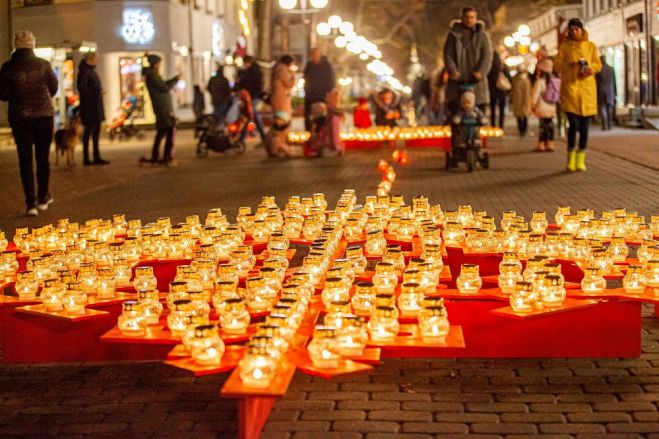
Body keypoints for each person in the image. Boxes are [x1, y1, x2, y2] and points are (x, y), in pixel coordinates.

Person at [0, 31, 58, 217]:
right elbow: (53, 88)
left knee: (25, 159)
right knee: (43, 158)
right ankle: (43, 198)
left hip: (20, 117)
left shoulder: (8, 67)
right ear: (33, 45)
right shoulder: (43, 65)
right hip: (44, 116)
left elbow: (3, 94)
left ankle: (30, 203)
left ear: (16, 46)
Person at [554, 18, 601, 172]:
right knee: (573, 125)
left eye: (576, 28)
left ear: (582, 30)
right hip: (571, 91)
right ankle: (570, 158)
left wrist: (590, 68)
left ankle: (581, 158)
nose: (574, 31)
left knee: (585, 128)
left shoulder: (590, 46)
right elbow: (557, 66)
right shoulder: (564, 47)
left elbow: (597, 64)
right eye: (571, 29)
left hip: (586, 91)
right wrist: (570, 64)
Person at [443, 6, 493, 116]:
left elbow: (487, 56)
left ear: (476, 19)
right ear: (462, 18)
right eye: (466, 17)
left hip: (476, 81)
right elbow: (448, 55)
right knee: (455, 114)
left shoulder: (482, 35)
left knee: (479, 113)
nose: (469, 20)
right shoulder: (453, 35)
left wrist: (481, 72)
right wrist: (453, 71)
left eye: (472, 17)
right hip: (457, 81)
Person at [140, 54, 180, 167]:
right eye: (159, 63)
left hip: (162, 107)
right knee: (169, 130)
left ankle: (157, 155)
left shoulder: (152, 76)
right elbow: (164, 87)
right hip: (162, 107)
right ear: (156, 64)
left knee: (162, 131)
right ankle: (165, 156)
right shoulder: (152, 76)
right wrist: (176, 79)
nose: (160, 65)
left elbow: (163, 86)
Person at [77, 51, 109, 166]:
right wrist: (97, 92)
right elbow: (82, 89)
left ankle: (96, 156)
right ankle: (87, 158)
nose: (97, 60)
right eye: (96, 58)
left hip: (95, 106)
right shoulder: (85, 72)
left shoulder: (90, 71)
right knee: (89, 132)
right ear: (90, 59)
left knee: (95, 133)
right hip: (90, 108)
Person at [266, 55, 295, 158]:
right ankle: (275, 148)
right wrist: (292, 76)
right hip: (281, 102)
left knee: (278, 125)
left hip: (277, 102)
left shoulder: (276, 69)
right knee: (280, 126)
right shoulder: (283, 71)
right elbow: (289, 84)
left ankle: (275, 148)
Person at [235, 55, 266, 142]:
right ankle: (243, 137)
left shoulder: (254, 71)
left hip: (253, 96)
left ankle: (262, 135)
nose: (245, 65)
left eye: (245, 63)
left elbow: (251, 85)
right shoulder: (249, 71)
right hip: (250, 96)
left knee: (252, 114)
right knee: (249, 115)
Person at [304, 47, 336, 131]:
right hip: (310, 96)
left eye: (316, 54)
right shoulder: (309, 65)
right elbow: (306, 78)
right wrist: (307, 90)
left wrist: (327, 93)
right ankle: (310, 131)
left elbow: (331, 80)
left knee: (322, 116)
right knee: (309, 116)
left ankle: (322, 133)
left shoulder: (326, 65)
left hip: (322, 95)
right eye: (313, 54)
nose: (314, 56)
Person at [530, 59, 557, 152]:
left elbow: (535, 95)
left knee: (543, 126)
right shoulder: (554, 81)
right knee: (550, 125)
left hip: (542, 107)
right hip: (552, 107)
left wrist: (532, 105)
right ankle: (551, 143)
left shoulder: (539, 82)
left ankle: (541, 144)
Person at [487, 50, 510, 128]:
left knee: (492, 109)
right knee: (501, 109)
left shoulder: (490, 68)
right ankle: (501, 125)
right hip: (502, 91)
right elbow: (509, 79)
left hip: (492, 91)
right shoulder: (503, 66)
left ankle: (493, 124)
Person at [596, 55, 616, 131]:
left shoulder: (598, 70)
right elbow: (614, 82)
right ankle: (609, 125)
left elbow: (596, 83)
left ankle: (604, 125)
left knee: (602, 107)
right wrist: (615, 92)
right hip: (610, 91)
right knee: (609, 107)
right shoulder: (611, 69)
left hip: (601, 91)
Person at [511, 63, 532, 136]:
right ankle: (523, 130)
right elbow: (527, 93)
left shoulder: (515, 79)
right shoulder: (526, 80)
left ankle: (521, 130)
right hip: (524, 101)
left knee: (519, 117)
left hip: (518, 101)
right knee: (524, 116)